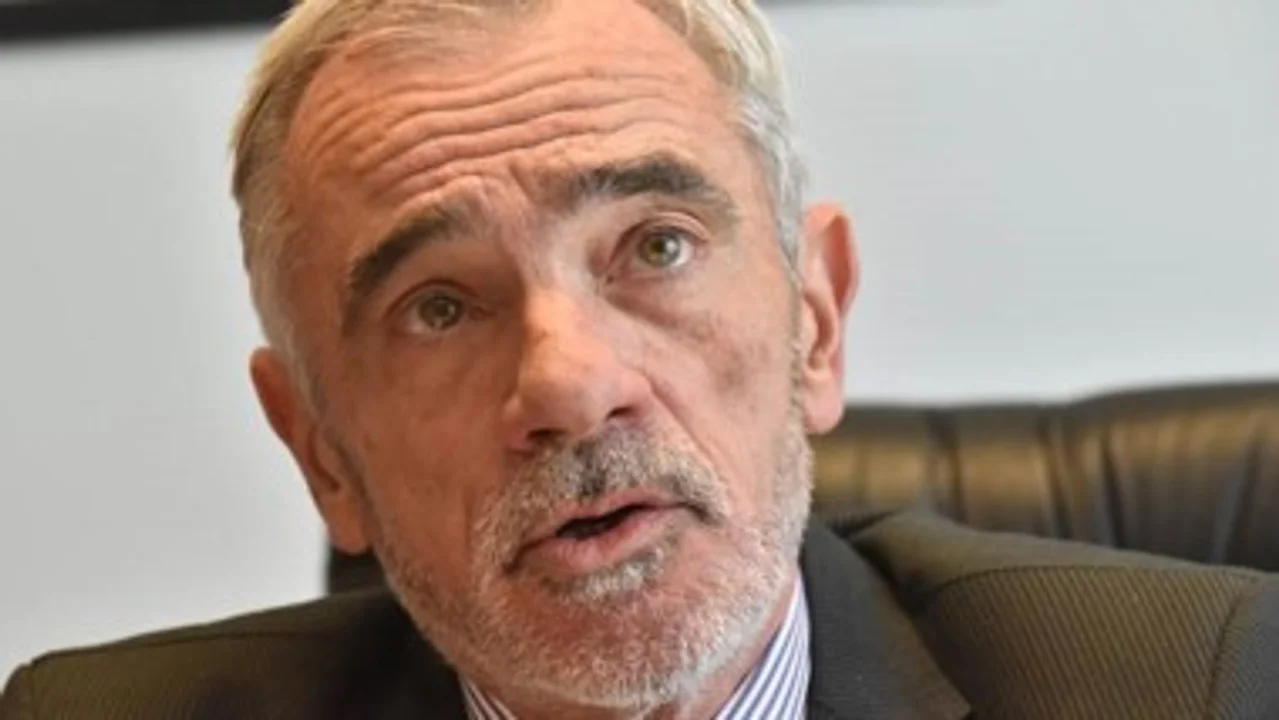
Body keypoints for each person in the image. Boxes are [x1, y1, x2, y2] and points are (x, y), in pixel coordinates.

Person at [3, 1, 1277, 718]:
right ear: (319, 449)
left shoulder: (1191, 689)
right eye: (439, 307)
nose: (569, 385)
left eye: (655, 246)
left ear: (815, 321)